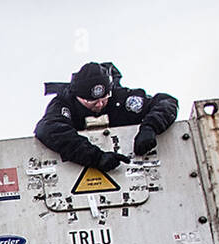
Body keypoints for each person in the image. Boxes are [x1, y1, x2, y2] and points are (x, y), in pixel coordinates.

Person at [34, 62, 178, 171]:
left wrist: (150, 127)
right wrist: (96, 157)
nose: (100, 105)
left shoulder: (120, 98)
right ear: (78, 97)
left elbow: (167, 102)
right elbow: (48, 129)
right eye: (92, 101)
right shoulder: (64, 104)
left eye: (104, 98)